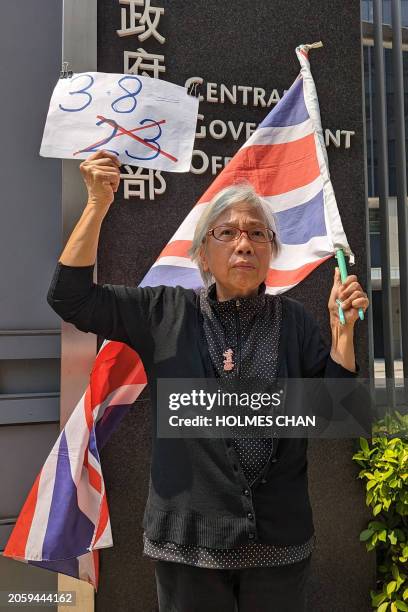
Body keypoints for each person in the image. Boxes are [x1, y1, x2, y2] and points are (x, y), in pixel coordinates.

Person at [47, 150, 369, 612]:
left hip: (279, 550)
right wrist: (97, 202)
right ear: (202, 252)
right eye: (228, 232)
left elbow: (335, 413)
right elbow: (70, 298)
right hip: (187, 548)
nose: (244, 244)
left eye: (258, 234)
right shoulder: (164, 312)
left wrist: (342, 335)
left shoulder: (294, 322)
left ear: (272, 252)